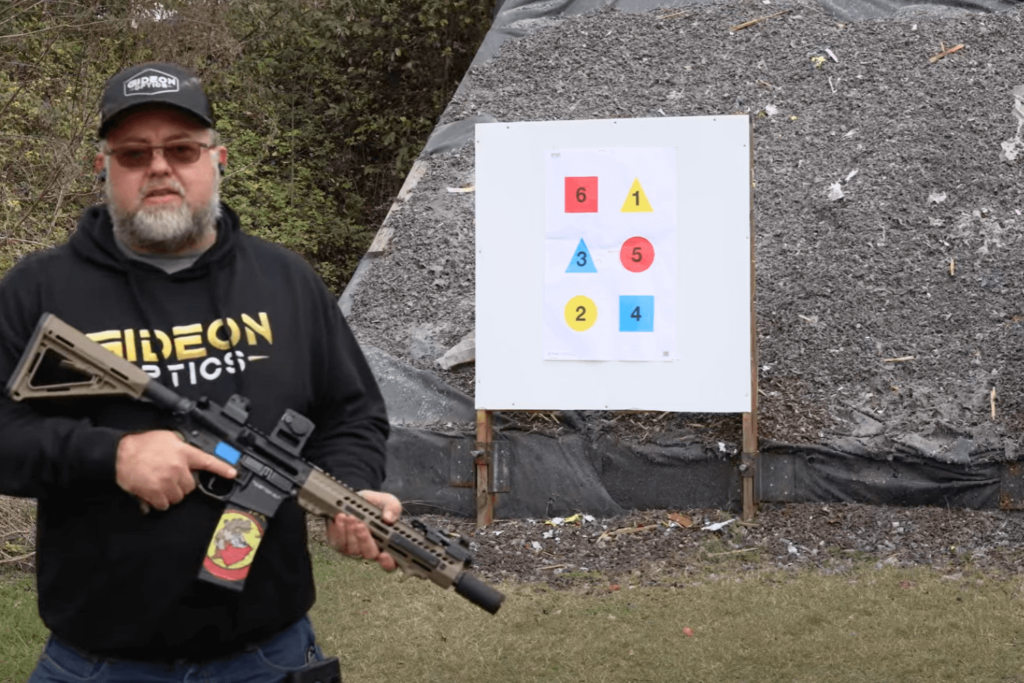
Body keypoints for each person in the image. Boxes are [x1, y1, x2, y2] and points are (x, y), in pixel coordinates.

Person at [0, 62, 401, 682]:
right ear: (104, 167)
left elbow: (353, 413)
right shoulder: (38, 288)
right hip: (97, 662)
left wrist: (349, 488)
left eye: (182, 149)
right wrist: (112, 456)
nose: (159, 167)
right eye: (134, 153)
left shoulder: (286, 281)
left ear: (217, 158)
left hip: (268, 656)